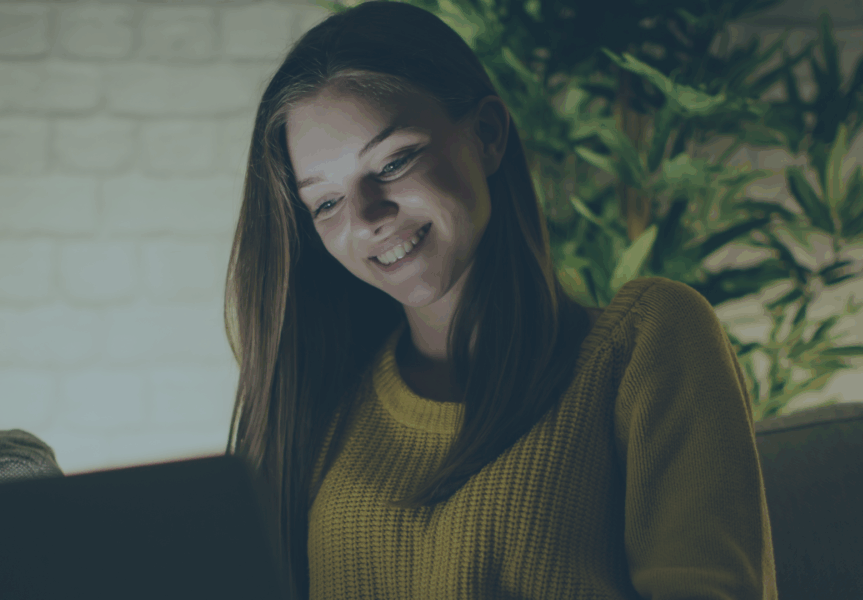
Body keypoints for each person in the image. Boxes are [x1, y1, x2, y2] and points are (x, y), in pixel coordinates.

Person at [221, 1, 777, 599]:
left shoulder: (644, 344)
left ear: (487, 135)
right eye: (326, 203)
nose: (367, 219)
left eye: (394, 161)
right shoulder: (317, 401)